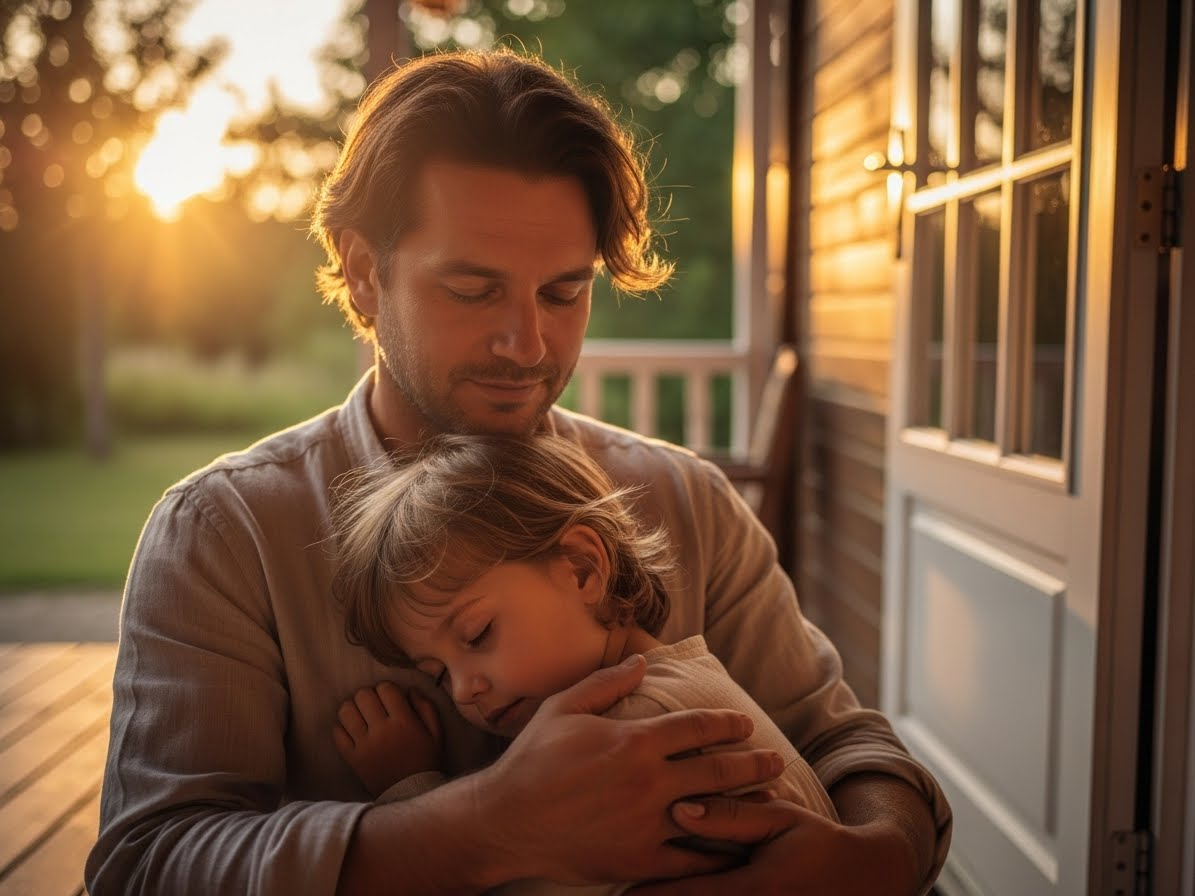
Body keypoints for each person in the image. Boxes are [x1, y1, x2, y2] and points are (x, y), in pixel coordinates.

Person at [86, 47, 951, 895]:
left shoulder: (684, 503)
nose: (528, 346)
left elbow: (843, 745)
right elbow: (147, 865)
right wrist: (480, 829)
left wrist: (874, 859)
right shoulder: (227, 536)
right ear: (361, 275)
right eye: (472, 290)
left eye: (563, 292)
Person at [330, 432, 841, 893]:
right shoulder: (683, 676)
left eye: (477, 634)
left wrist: (409, 790)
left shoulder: (641, 727)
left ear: (581, 569)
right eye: (437, 674)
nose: (463, 689)